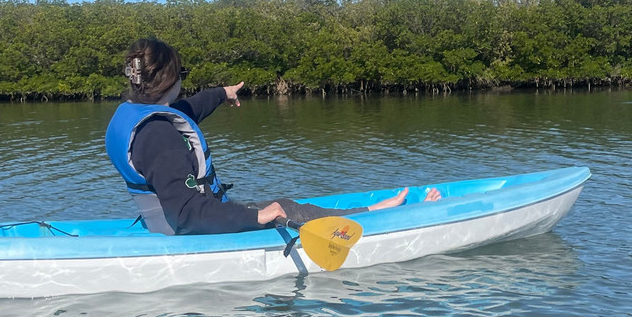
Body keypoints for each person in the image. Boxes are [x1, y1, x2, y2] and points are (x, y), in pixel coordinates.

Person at [105, 38, 439, 235]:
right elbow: (187, 212)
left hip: (173, 221)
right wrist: (255, 216)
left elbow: (188, 109)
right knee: (289, 209)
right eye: (183, 75)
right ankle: (382, 216)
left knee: (291, 205)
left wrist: (222, 93)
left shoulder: (139, 115)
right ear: (170, 80)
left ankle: (370, 209)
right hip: (191, 230)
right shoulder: (159, 137)